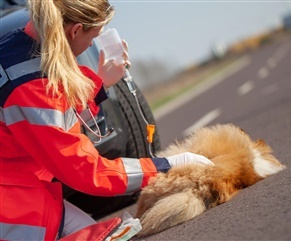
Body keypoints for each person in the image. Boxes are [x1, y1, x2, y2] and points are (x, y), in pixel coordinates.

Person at [0, 0, 213, 240]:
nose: (92, 44)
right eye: (92, 37)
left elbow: (42, 118)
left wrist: (99, 84)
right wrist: (167, 165)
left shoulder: (15, 48)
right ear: (76, 30)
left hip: (14, 186)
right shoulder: (32, 86)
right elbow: (86, 170)